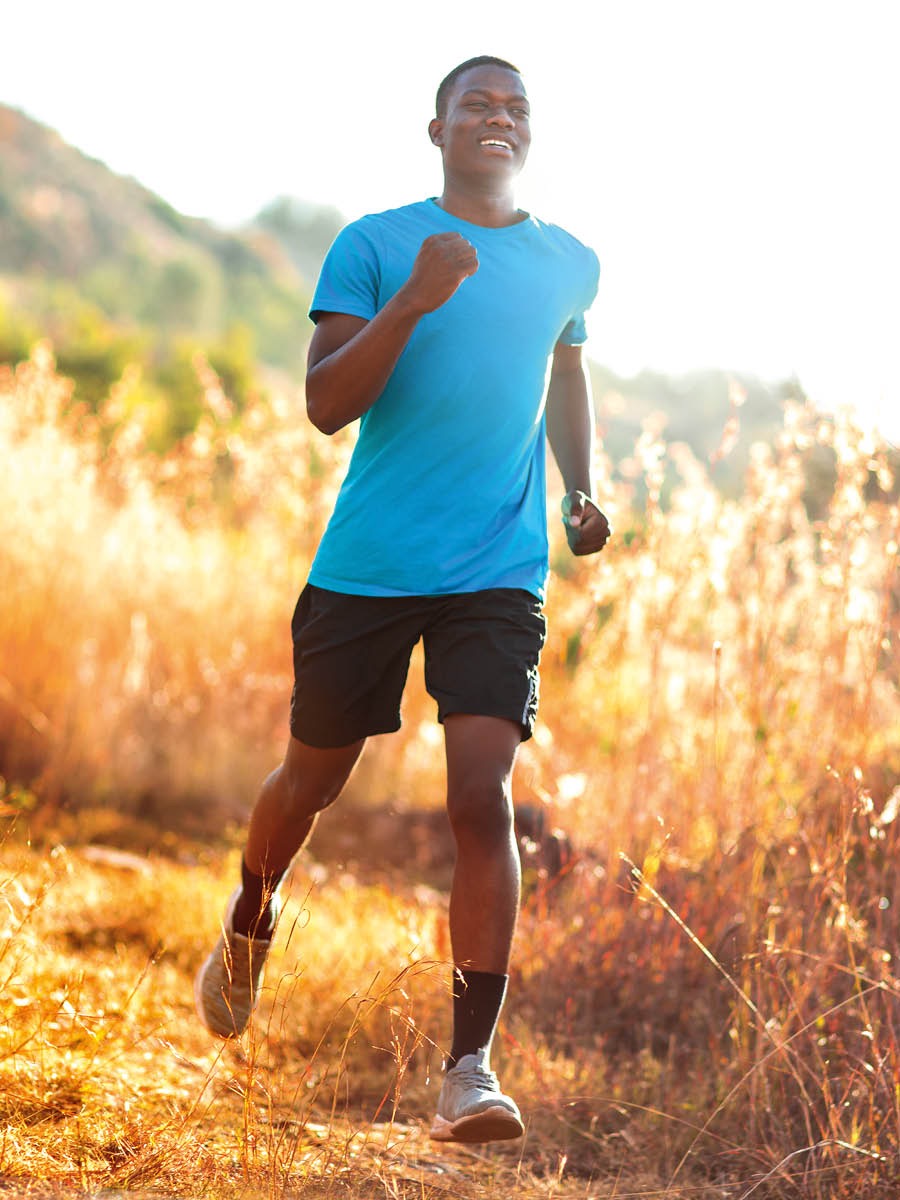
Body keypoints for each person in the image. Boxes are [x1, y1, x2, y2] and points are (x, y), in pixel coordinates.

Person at [194, 54, 611, 1144]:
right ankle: (249, 914)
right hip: (370, 566)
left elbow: (566, 369)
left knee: (484, 800)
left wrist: (582, 489)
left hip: (499, 572)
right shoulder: (375, 244)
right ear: (436, 130)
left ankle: (468, 1069)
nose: (499, 117)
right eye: (477, 102)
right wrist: (418, 300)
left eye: (517, 106)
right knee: (310, 780)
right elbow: (327, 401)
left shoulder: (572, 261)